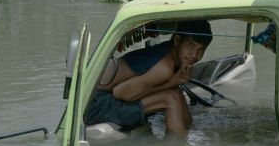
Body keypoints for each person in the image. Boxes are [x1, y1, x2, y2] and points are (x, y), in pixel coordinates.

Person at [85, 20, 213, 137]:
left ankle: (190, 131)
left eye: (201, 50)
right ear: (177, 40)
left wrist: (173, 84)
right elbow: (121, 93)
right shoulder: (165, 68)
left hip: (99, 99)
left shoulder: (169, 53)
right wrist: (171, 83)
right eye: (191, 46)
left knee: (176, 92)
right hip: (95, 105)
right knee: (170, 98)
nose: (194, 55)